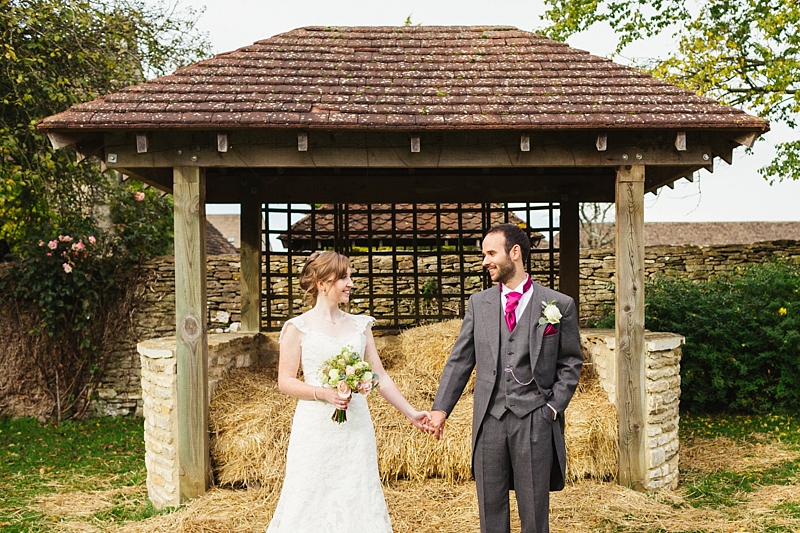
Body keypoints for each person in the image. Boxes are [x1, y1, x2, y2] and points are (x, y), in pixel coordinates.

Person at [428, 224, 583, 533]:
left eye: (490, 253)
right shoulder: (479, 304)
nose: (485, 261)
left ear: (515, 253)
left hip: (535, 419)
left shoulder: (558, 305)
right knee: (490, 509)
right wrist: (440, 409)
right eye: (483, 254)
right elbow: (460, 361)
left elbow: (571, 362)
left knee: (534, 512)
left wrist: (552, 408)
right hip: (489, 420)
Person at [267, 250, 431, 533]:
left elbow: (380, 376)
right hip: (314, 428)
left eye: (350, 276)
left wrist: (411, 413)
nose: (350, 283)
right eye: (343, 277)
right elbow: (285, 381)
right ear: (322, 283)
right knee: (310, 494)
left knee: (358, 492)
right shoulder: (297, 328)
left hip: (356, 426)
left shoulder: (360, 325)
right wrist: (325, 393)